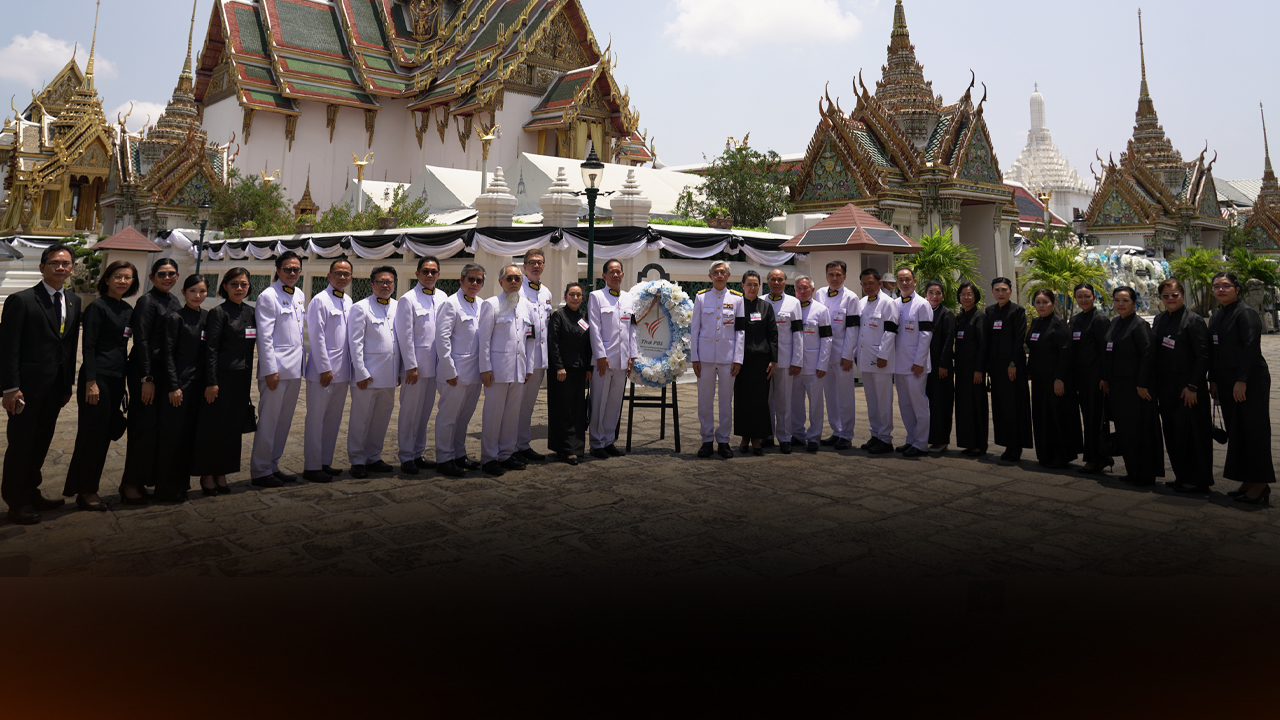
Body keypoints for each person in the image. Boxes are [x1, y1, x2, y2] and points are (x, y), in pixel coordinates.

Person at [1, 243, 80, 524]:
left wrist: (67, 385)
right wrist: (10, 387)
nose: (61, 267)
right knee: (21, 446)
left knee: (41, 444)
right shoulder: (22, 300)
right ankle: (16, 501)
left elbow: (68, 347)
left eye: (66, 263)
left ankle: (31, 491)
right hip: (26, 389)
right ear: (42, 267)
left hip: (54, 389)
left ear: (72, 268)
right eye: (55, 263)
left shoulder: (73, 300)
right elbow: (8, 348)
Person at [62, 260, 136, 512]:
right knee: (91, 436)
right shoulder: (97, 307)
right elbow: (89, 347)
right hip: (97, 380)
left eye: (127, 277)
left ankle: (89, 486)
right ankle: (85, 491)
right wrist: (91, 383)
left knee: (104, 436)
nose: (122, 281)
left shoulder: (127, 309)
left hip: (117, 379)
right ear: (106, 279)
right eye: (117, 276)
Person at [1206, 272, 1275, 504]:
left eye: (1226, 286)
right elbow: (1214, 351)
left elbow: (1250, 348)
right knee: (1238, 432)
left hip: (1249, 380)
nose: (1221, 290)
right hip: (1225, 381)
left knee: (1254, 430)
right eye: (1216, 286)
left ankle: (1260, 483)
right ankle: (1247, 480)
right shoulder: (1217, 315)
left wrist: (1242, 380)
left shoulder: (1246, 313)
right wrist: (1213, 379)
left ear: (1237, 289)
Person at [120, 257, 182, 503]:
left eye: (171, 274)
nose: (167, 278)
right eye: (162, 274)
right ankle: (130, 483)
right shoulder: (147, 302)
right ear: (152, 277)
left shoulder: (174, 301)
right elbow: (142, 340)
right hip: (146, 372)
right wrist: (147, 378)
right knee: (142, 427)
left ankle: (150, 478)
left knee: (159, 429)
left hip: (166, 371)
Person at [191, 268, 255, 495]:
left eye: (244, 284)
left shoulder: (250, 312)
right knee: (213, 428)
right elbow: (210, 350)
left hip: (241, 380)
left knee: (231, 429)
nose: (239, 288)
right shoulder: (218, 313)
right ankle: (207, 473)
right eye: (235, 284)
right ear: (225, 286)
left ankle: (222, 471)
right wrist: (211, 382)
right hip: (219, 380)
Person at [1150, 278, 1213, 493]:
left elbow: (1203, 356)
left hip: (1188, 387)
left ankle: (1198, 480)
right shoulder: (1159, 319)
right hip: (1166, 387)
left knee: (1193, 434)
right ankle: (1181, 476)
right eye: (1165, 296)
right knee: (1173, 433)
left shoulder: (1193, 320)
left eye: (1175, 295)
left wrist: (1193, 386)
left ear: (1183, 295)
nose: (1170, 299)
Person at [251, 251, 307, 488]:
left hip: (294, 370)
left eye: (296, 269)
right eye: (287, 269)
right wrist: (269, 370)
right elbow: (264, 338)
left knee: (283, 422)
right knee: (269, 421)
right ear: (278, 270)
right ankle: (261, 470)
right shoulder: (268, 296)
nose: (292, 273)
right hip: (275, 371)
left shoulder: (300, 294)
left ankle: (273, 465)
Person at [151, 274, 209, 502]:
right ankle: (165, 487)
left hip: (198, 386)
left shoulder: (206, 317)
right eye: (193, 291)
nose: (197, 295)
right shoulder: (176, 318)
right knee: (171, 437)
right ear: (184, 291)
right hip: (178, 386)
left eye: (202, 291)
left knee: (188, 437)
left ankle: (182, 484)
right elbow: (168, 354)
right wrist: (174, 386)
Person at [1101, 286, 1163, 486]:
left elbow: (1148, 354)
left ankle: (1145, 474)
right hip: (1118, 387)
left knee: (1140, 431)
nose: (1120, 304)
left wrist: (1142, 384)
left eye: (1125, 300)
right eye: (1117, 300)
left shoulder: (1139, 325)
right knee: (1125, 430)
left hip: (1136, 387)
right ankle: (1132, 471)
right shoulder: (1114, 323)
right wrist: (1106, 378)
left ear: (1134, 303)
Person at [479, 265, 536, 475]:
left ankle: (506, 453)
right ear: (501, 281)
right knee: (493, 415)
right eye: (509, 278)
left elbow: (531, 339)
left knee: (512, 415)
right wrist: (485, 368)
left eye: (517, 278)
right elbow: (483, 340)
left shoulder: (527, 306)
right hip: (497, 371)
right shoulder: (491, 304)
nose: (513, 282)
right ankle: (489, 457)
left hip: (520, 370)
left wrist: (529, 365)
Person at [346, 266, 401, 479]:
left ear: (394, 284)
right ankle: (357, 459)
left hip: (389, 375)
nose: (385, 285)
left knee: (381, 419)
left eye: (389, 281)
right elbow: (355, 342)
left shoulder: (398, 307)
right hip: (367, 376)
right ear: (372, 284)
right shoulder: (361, 308)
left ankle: (374, 456)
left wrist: (400, 371)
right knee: (361, 419)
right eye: (381, 281)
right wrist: (360, 372)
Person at [302, 259, 353, 483]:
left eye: (346, 274)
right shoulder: (319, 300)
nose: (342, 277)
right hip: (322, 372)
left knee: (333, 419)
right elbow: (317, 336)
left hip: (342, 371)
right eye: (338, 273)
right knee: (316, 418)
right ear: (329, 276)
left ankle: (325, 461)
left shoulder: (349, 301)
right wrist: (324, 367)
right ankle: (312, 466)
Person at [435, 263, 486, 477]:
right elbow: (442, 339)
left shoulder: (482, 304)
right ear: (461, 280)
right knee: (448, 418)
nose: (474, 283)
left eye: (479, 280)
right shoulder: (450, 304)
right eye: (471, 279)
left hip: (474, 373)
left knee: (464, 418)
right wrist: (449, 370)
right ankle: (444, 458)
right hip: (454, 374)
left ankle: (459, 453)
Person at [396, 255, 445, 474]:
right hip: (415, 368)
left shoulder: (443, 297)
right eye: (425, 271)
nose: (429, 275)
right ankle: (406, 456)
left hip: (436, 367)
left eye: (433, 271)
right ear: (417, 274)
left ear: (438, 274)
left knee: (425, 413)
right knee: (409, 412)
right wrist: (410, 366)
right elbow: (405, 336)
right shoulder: (408, 299)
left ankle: (418, 453)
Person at [691, 260, 745, 458]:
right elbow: (695, 329)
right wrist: (694, 357)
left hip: (727, 357)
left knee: (725, 400)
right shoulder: (702, 297)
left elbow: (740, 331)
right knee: (704, 400)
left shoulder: (737, 299)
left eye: (723, 272)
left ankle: (723, 440)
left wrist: (738, 358)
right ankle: (706, 440)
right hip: (705, 357)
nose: (719, 275)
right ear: (710, 276)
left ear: (728, 276)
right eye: (716, 272)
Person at [587, 259, 636, 460]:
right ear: (604, 276)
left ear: (623, 275)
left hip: (623, 359)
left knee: (614, 403)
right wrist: (600, 355)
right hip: (604, 360)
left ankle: (608, 440)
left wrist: (632, 355)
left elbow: (632, 329)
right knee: (598, 401)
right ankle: (596, 443)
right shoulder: (596, 296)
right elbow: (594, 327)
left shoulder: (628, 298)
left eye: (618, 272)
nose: (615, 275)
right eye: (611, 272)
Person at [1026, 289, 1080, 469]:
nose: (1041, 306)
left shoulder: (1059, 323)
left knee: (1057, 416)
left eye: (1045, 302)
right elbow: (1033, 351)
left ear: (1052, 303)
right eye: (1038, 302)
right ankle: (1045, 454)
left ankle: (1061, 455)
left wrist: (1059, 378)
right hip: (1039, 379)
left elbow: (1065, 352)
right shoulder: (1035, 322)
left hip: (1055, 379)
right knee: (1041, 416)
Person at [985, 277, 1033, 463]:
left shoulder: (1017, 311)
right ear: (992, 292)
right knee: (1000, 407)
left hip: (1012, 367)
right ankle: (1006, 444)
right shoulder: (990, 311)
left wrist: (1013, 364)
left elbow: (1018, 339)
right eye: (997, 289)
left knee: (1015, 406)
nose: (1001, 293)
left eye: (1004, 289)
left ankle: (1017, 446)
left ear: (1010, 291)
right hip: (996, 368)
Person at [1070, 283, 1113, 475]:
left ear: (1094, 297)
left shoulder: (1100, 319)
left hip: (1096, 378)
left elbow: (1106, 351)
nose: (1083, 300)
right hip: (1081, 377)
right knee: (1087, 417)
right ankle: (1097, 456)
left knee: (1096, 418)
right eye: (1079, 296)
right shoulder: (1076, 319)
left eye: (1087, 296)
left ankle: (1096, 458)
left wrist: (1105, 377)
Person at [817, 260, 860, 450]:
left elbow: (852, 329)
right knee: (830, 396)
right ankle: (836, 430)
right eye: (831, 274)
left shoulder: (851, 298)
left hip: (842, 355)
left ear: (845, 276)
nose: (834, 278)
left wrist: (848, 355)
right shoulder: (819, 293)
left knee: (845, 396)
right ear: (826, 275)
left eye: (838, 275)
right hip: (824, 355)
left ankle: (847, 434)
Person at [547, 282, 592, 465]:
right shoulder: (558, 316)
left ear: (582, 298)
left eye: (578, 295)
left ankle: (576, 447)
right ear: (565, 296)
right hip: (562, 371)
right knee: (563, 409)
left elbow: (589, 344)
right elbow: (553, 343)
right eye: (571, 294)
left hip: (579, 370)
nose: (575, 298)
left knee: (578, 410)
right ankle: (565, 449)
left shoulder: (584, 317)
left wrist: (589, 367)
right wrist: (559, 367)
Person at [734, 270, 778, 455]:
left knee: (760, 401)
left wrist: (773, 360)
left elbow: (773, 335)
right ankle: (744, 438)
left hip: (762, 360)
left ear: (760, 286)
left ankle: (757, 439)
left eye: (755, 284)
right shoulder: (736, 305)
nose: (752, 288)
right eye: (749, 284)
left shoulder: (766, 307)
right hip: (741, 361)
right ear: (742, 286)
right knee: (743, 400)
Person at [855, 268, 898, 454]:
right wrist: (856, 352)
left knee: (883, 400)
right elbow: (860, 331)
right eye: (864, 284)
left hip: (881, 360)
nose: (867, 287)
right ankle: (875, 435)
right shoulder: (862, 302)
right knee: (871, 400)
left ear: (879, 283)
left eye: (871, 283)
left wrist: (883, 355)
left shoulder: (888, 303)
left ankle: (886, 439)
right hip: (865, 358)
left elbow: (890, 331)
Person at [515, 249, 552, 463]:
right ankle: (510, 446)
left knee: (528, 405)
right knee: (514, 405)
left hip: (540, 358)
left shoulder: (546, 292)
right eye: (531, 263)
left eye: (539, 262)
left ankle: (523, 444)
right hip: (521, 358)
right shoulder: (517, 290)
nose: (536, 266)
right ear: (524, 266)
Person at [892, 267, 933, 457]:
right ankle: (911, 439)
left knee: (919, 405)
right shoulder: (894, 304)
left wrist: (919, 362)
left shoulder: (922, 304)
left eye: (908, 279)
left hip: (916, 365)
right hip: (899, 364)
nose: (904, 282)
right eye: (901, 279)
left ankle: (921, 443)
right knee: (905, 405)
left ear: (915, 282)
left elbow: (925, 335)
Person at [789, 276, 831, 453]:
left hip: (813, 366)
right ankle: (798, 434)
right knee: (795, 403)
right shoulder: (790, 308)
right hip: (793, 365)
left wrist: (822, 364)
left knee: (815, 403)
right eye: (798, 288)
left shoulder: (821, 310)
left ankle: (814, 436)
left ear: (812, 290)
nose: (802, 291)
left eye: (805, 288)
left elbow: (827, 339)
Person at [765, 269, 804, 454]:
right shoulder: (760, 301)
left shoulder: (794, 303)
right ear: (767, 282)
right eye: (773, 279)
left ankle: (785, 437)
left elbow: (798, 333)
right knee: (766, 400)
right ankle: (766, 434)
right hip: (764, 361)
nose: (776, 282)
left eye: (780, 279)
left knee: (784, 401)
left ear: (785, 282)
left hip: (785, 360)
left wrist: (797, 359)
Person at [952, 282, 988, 457]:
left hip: (975, 369)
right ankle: (968, 442)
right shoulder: (960, 317)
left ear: (975, 297)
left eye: (969, 294)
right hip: (961, 369)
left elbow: (983, 345)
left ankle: (980, 445)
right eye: (963, 294)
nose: (966, 297)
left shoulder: (980, 317)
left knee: (976, 406)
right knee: (964, 405)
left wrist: (979, 369)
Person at [923, 280, 954, 455]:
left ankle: (941, 440)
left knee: (941, 403)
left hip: (940, 367)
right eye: (931, 293)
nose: (934, 296)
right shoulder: (924, 311)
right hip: (926, 365)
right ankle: (930, 438)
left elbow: (949, 340)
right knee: (929, 403)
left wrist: (943, 364)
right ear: (925, 294)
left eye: (938, 293)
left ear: (943, 296)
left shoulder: (946, 314)